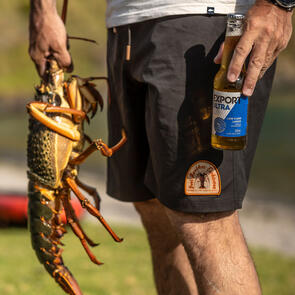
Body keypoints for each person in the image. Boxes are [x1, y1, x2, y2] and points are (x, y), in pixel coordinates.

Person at [29, 0, 293, 294]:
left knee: (205, 221)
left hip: (202, 21)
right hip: (124, 24)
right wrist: (43, 9)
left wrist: (279, 5)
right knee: (155, 211)